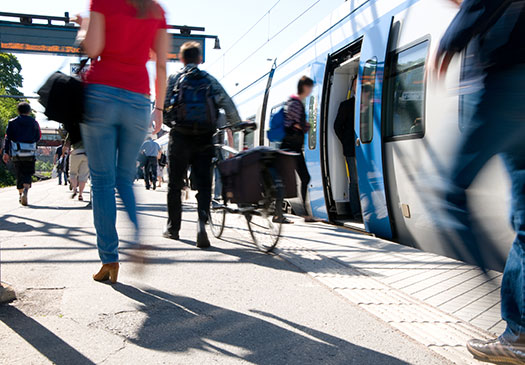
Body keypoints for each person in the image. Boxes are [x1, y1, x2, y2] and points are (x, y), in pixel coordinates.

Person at [435, 0, 525, 363]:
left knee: (451, 192)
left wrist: (451, 41)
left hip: (507, 83)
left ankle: (485, 283)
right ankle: (518, 334)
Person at [74, 0, 168, 284]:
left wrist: (84, 27)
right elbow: (161, 66)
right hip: (138, 98)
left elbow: (92, 49)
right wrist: (159, 109)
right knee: (124, 179)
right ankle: (138, 236)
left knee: (102, 181)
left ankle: (110, 260)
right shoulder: (155, 10)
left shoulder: (103, 1)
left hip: (101, 92)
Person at [163, 41, 241, 247]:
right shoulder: (209, 80)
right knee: (205, 185)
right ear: (199, 59)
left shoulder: (174, 78)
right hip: (205, 138)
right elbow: (227, 103)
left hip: (179, 137)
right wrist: (237, 124)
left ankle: (173, 229)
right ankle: (201, 226)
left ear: (181, 59)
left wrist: (171, 123)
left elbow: (164, 108)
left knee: (174, 185)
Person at [280, 76, 315, 222]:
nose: (311, 90)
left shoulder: (295, 102)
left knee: (296, 179)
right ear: (304, 87)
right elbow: (295, 123)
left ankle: (304, 212)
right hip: (290, 148)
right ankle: (304, 213)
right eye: (310, 87)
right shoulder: (295, 103)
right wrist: (305, 125)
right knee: (297, 179)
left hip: (293, 148)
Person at [2, 102, 41, 206]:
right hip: (30, 153)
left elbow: (7, 138)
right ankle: (26, 192)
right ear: (28, 111)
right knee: (28, 173)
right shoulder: (34, 123)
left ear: (18, 111)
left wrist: (6, 152)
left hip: (16, 152)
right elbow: (38, 137)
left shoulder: (12, 122)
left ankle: (20, 195)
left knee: (19, 173)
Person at [333, 77, 362, 220]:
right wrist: (346, 142)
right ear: (353, 87)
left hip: (368, 149)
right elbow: (337, 126)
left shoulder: (369, 104)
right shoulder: (346, 105)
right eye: (357, 83)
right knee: (355, 181)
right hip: (352, 149)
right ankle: (356, 212)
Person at [67, 137, 89, 201]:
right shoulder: (89, 128)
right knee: (83, 176)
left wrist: (63, 153)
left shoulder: (74, 129)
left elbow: (67, 142)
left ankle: (74, 189)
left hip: (76, 152)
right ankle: (80, 194)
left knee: (72, 173)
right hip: (86, 153)